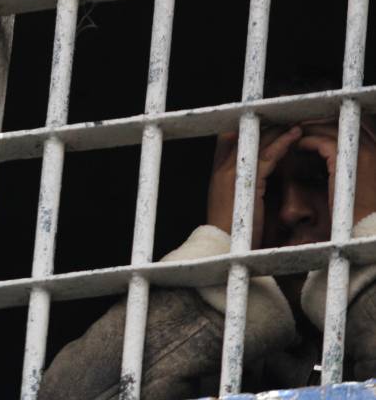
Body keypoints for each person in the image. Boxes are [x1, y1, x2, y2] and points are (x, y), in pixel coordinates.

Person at [38, 115, 376, 399]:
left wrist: (367, 252)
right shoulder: (216, 367)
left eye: (318, 179)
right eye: (267, 188)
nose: (291, 210)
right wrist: (215, 264)